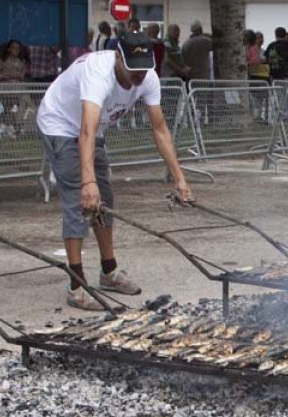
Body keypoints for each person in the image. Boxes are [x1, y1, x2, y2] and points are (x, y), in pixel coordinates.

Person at [36, 32, 195, 310]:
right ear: (118, 57)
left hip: (91, 129)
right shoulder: (98, 74)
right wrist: (88, 181)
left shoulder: (149, 79)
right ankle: (76, 285)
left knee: (104, 198)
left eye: (145, 67)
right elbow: (85, 131)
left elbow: (160, 129)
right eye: (133, 67)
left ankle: (109, 271)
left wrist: (180, 179)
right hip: (61, 124)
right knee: (79, 201)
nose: (139, 74)